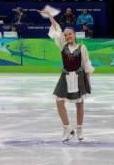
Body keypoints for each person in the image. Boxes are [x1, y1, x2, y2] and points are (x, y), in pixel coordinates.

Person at [39, 9, 94, 142]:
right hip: (65, 77)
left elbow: (86, 64)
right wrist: (50, 16)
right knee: (59, 101)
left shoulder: (82, 47)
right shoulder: (62, 45)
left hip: (79, 77)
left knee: (79, 103)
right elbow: (56, 28)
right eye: (66, 35)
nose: (68, 36)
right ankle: (67, 128)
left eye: (70, 34)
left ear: (74, 35)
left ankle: (79, 129)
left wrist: (88, 82)